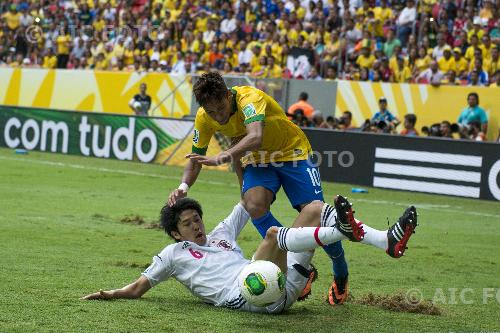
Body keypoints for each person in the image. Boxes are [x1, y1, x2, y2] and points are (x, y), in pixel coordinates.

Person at [167, 72, 351, 305]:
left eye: (220, 108)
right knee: (252, 204)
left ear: (228, 95)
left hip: (292, 152)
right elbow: (195, 158)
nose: (218, 116)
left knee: (315, 212)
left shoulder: (250, 99)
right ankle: (296, 265)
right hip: (258, 159)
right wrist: (183, 187)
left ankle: (341, 272)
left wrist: (224, 156)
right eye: (211, 112)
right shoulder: (205, 118)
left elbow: (255, 136)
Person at [82, 196, 419, 314]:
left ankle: (385, 241)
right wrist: (108, 293)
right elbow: (139, 288)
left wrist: (240, 155)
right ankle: (341, 232)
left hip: (277, 286)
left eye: (197, 218)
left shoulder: (221, 233)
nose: (197, 226)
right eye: (188, 224)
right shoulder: (174, 253)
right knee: (274, 235)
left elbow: (249, 201)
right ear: (175, 233)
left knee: (314, 208)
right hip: (246, 295)